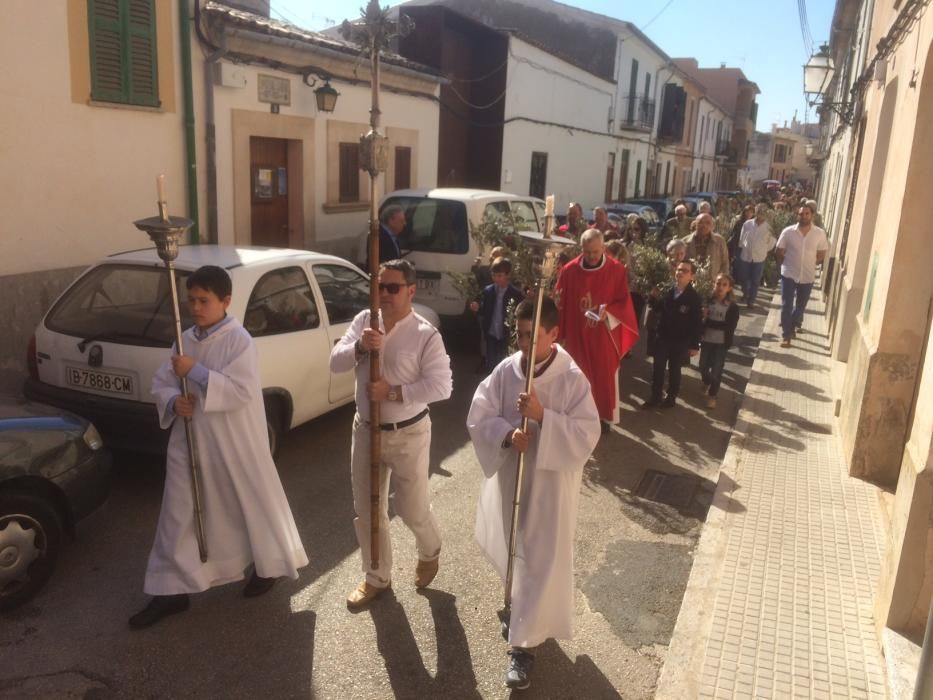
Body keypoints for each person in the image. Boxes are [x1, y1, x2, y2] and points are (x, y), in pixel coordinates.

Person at [130, 266, 308, 629]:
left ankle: (266, 565)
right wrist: (170, 402)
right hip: (190, 441)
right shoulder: (184, 338)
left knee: (248, 506)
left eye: (204, 300)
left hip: (233, 441)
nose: (196, 307)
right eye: (191, 300)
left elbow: (241, 390)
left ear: (226, 301)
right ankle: (171, 592)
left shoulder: (239, 340)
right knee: (178, 513)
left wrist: (194, 371)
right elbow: (162, 382)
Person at [467, 297, 601, 691]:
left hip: (549, 486)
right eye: (520, 334)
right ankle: (520, 610)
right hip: (515, 477)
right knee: (515, 549)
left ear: (554, 334)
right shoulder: (508, 370)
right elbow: (479, 413)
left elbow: (587, 433)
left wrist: (544, 418)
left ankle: (522, 650)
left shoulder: (571, 377)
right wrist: (507, 434)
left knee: (541, 557)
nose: (523, 343)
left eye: (532, 335)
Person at [329, 259, 453, 608]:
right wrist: (360, 348)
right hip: (366, 430)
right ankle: (376, 576)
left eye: (392, 288)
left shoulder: (425, 334)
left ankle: (430, 549)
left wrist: (393, 392)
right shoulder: (364, 322)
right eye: (379, 286)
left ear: (411, 291)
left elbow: (442, 386)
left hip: (408, 433)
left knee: (411, 509)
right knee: (367, 509)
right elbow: (335, 362)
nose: (383, 293)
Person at [555, 229, 639, 432]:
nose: (591, 256)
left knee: (603, 377)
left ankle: (603, 418)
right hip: (576, 335)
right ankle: (577, 418)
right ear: (581, 249)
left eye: (595, 251)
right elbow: (561, 304)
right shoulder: (569, 271)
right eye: (587, 252)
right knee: (578, 377)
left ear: (603, 248)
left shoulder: (616, 270)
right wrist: (559, 335)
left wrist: (608, 313)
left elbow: (624, 302)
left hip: (603, 336)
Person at [642, 260, 703, 409]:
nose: (680, 272)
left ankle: (671, 397)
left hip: (680, 341)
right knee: (658, 368)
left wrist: (695, 345)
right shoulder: (669, 291)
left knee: (675, 370)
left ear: (692, 276)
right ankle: (655, 396)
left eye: (685, 271)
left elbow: (697, 323)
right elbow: (659, 308)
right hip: (663, 337)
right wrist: (653, 297)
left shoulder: (694, 298)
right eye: (679, 269)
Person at [774, 203, 828, 347]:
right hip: (789, 273)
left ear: (812, 215)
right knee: (786, 304)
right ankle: (786, 335)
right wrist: (784, 264)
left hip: (808, 275)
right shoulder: (788, 232)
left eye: (807, 214)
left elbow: (822, 253)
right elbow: (779, 250)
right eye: (801, 214)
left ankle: (791, 326)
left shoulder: (819, 234)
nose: (804, 216)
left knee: (800, 306)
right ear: (797, 215)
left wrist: (811, 263)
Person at [470, 257, 525, 373]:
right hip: (491, 333)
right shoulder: (488, 291)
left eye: (500, 276)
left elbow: (520, 313)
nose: (496, 279)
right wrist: (477, 308)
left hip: (505, 335)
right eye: (494, 276)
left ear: (508, 275)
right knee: (490, 363)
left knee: (503, 363)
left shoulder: (515, 294)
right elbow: (485, 310)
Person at [699, 273, 740, 409]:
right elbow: (702, 321)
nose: (720, 287)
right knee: (703, 366)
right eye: (718, 284)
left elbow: (728, 326)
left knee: (717, 369)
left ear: (729, 288)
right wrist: (703, 318)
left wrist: (709, 321)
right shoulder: (708, 301)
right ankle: (706, 381)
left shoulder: (732, 307)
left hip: (721, 343)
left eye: (724, 285)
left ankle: (712, 395)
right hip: (707, 339)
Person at [735, 203, 776, 307]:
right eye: (758, 212)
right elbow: (742, 237)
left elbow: (772, 242)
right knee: (743, 278)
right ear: (755, 213)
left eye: (763, 213)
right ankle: (746, 293)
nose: (760, 215)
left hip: (759, 258)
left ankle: (751, 301)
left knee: (755, 281)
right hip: (746, 255)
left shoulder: (768, 228)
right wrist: (743, 246)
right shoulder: (747, 224)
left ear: (766, 214)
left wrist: (763, 250)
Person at [683, 213, 730, 280]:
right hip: (690, 282)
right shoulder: (685, 242)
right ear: (695, 224)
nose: (704, 225)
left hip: (713, 282)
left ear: (712, 226)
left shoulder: (719, 241)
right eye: (701, 222)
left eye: (708, 223)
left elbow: (725, 263)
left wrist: (721, 280)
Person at [365, 205, 406, 269]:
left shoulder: (393, 235)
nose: (404, 223)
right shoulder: (378, 235)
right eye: (401, 221)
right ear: (391, 221)